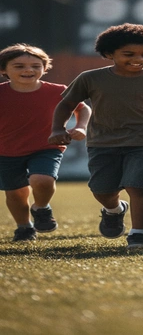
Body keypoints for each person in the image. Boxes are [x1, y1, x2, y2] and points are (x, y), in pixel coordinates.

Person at [48, 24, 143, 250]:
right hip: (102, 142)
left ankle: (139, 234)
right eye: (129, 54)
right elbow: (67, 104)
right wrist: (58, 129)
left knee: (140, 186)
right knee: (102, 189)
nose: (138, 59)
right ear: (110, 54)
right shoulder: (90, 78)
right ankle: (114, 210)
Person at [0, 44, 91, 242]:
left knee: (42, 180)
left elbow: (83, 109)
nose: (28, 70)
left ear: (44, 68)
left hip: (47, 146)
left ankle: (41, 208)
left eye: (35, 65)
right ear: (3, 70)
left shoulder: (58, 91)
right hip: (6, 151)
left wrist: (81, 127)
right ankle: (24, 228)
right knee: (15, 193)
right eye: (19, 66)